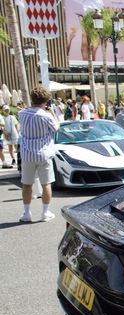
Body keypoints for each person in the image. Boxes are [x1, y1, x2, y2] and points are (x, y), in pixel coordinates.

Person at [17, 85, 60, 223]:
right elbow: (56, 128)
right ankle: (45, 212)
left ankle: (27, 213)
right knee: (46, 184)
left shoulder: (21, 114)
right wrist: (52, 112)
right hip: (44, 153)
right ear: (46, 100)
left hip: (27, 153)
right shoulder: (46, 116)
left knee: (27, 184)